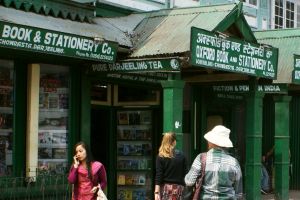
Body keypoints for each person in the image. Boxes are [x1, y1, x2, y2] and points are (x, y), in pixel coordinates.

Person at [185, 125, 243, 199]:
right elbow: (239, 193)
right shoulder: (234, 162)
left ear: (212, 142)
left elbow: (189, 182)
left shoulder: (201, 158)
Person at [154, 132, 188, 200]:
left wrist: (156, 192)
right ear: (174, 142)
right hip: (179, 190)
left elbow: (159, 175)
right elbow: (186, 173)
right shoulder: (182, 155)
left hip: (165, 190)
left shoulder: (160, 156)